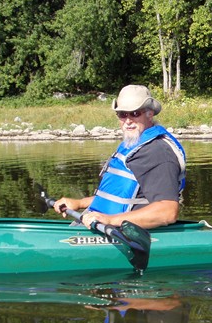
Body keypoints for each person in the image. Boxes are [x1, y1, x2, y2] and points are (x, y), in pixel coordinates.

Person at [53, 85, 186, 230]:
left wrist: (110, 220)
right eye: (122, 114)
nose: (128, 120)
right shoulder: (134, 146)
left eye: (135, 113)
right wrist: (79, 203)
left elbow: (167, 212)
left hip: (128, 233)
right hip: (101, 226)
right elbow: (119, 198)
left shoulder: (158, 153)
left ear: (150, 114)